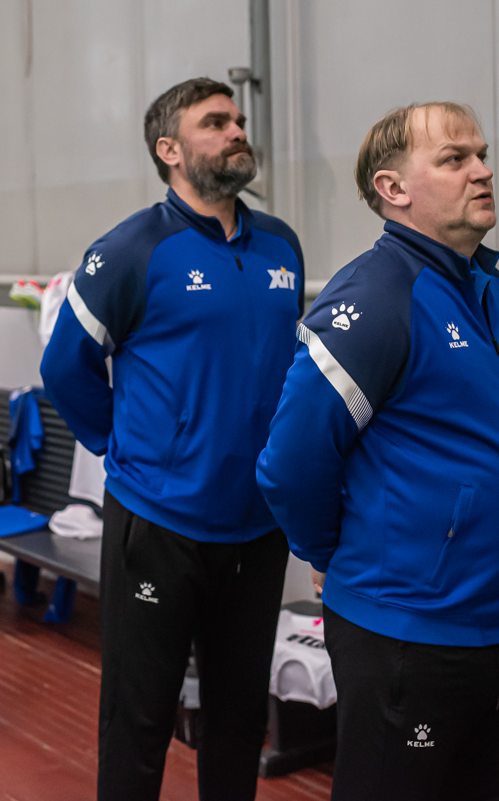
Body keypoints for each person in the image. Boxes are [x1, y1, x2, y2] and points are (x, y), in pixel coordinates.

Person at [257, 102, 499, 801]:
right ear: (393, 189)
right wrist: (326, 553)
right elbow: (291, 463)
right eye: (454, 159)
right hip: (410, 633)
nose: (481, 171)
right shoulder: (377, 299)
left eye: (481, 155)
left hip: (496, 625)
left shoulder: (490, 288)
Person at [41, 78, 305, 801]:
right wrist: (125, 447)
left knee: (239, 716)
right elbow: (65, 366)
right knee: (141, 714)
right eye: (215, 122)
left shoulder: (281, 245)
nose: (236, 130)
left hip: (257, 525)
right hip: (159, 524)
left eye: (238, 119)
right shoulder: (132, 249)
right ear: (169, 150)